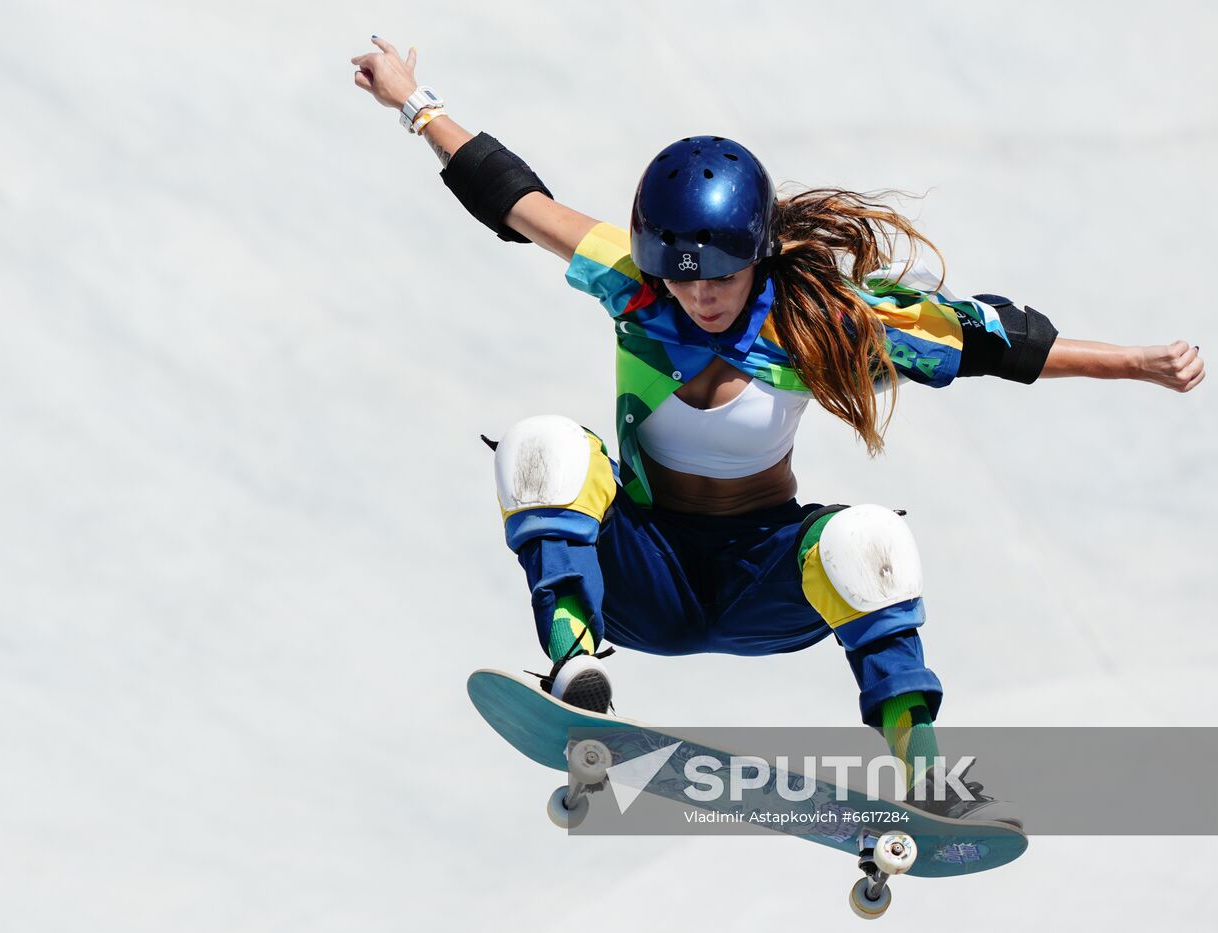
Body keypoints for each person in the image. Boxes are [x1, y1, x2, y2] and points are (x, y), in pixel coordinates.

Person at [350, 37, 1205, 820]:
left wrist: (1135, 362)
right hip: (642, 574)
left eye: (721, 276)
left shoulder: (820, 322)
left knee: (870, 535)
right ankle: (577, 668)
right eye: (682, 280)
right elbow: (517, 199)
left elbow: (990, 339)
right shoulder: (632, 283)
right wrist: (414, 103)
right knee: (543, 444)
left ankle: (926, 772)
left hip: (765, 578)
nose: (702, 297)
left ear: (756, 253)